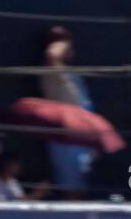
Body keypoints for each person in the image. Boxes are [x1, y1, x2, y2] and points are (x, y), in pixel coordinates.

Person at [38, 25, 95, 196]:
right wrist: (62, 43)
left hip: (83, 134)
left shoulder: (70, 71)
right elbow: (51, 56)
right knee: (72, 189)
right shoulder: (50, 69)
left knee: (85, 186)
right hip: (66, 135)